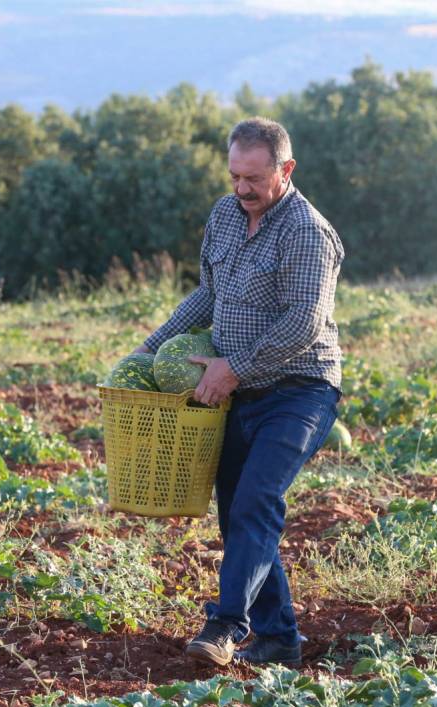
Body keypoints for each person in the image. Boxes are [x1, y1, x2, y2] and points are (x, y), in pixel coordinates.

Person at [134, 117, 344, 666]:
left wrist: (235, 367)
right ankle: (279, 641)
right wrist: (150, 349)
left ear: (286, 169)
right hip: (237, 392)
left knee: (257, 501)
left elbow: (305, 322)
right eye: (234, 176)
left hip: (300, 389)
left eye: (254, 177)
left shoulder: (306, 231)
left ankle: (227, 624)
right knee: (237, 514)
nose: (243, 189)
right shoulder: (225, 216)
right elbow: (208, 295)